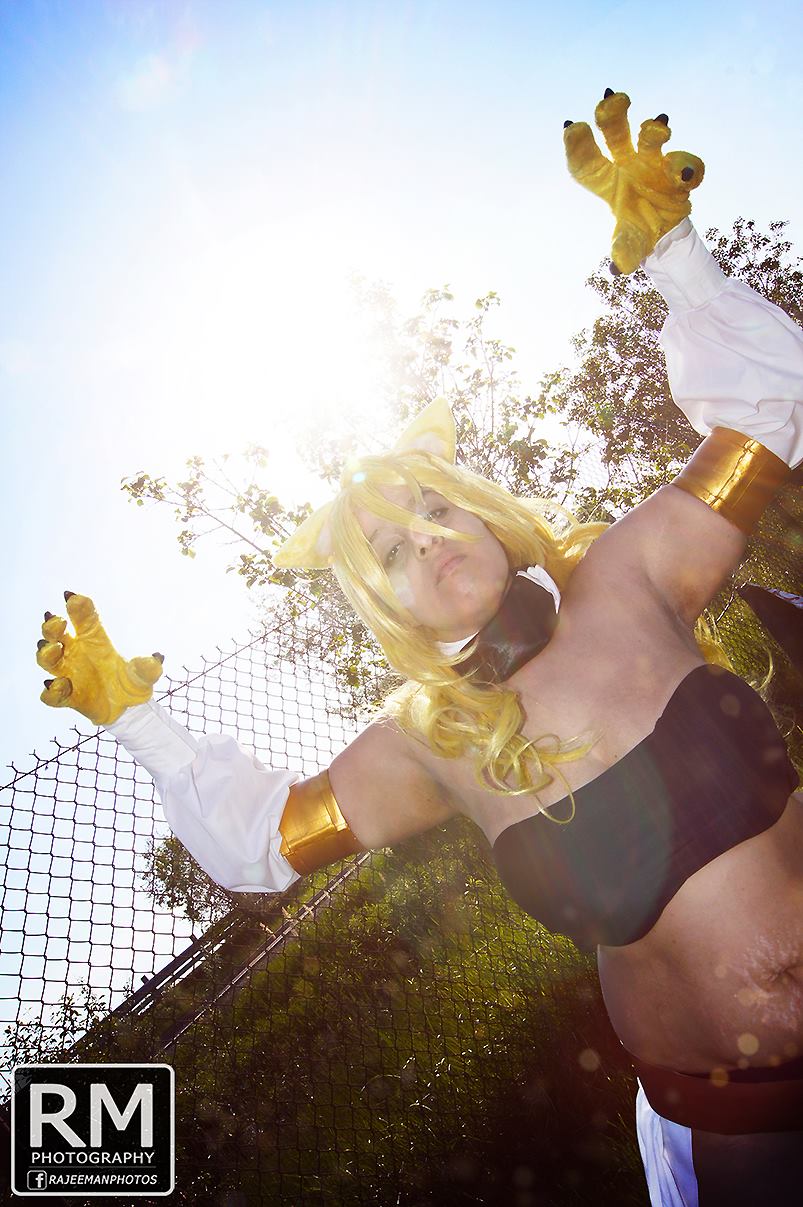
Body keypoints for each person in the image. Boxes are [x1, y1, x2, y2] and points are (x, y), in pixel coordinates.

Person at [36, 92, 802, 1205]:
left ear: (478, 508)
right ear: (380, 602)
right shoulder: (426, 740)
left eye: (434, 508)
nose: (430, 540)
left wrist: (676, 255)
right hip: (736, 1133)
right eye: (392, 549)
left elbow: (770, 412)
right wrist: (137, 719)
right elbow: (258, 843)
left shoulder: (627, 572)